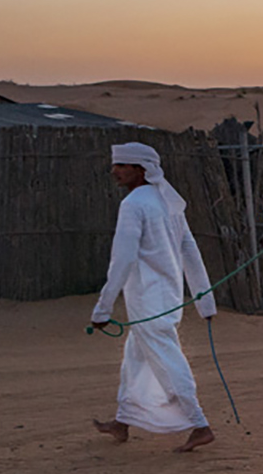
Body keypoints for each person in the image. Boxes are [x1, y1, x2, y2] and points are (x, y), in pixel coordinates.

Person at [90, 142, 217, 453]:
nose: (115, 171)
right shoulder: (167, 201)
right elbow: (189, 249)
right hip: (165, 296)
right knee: (134, 360)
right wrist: (205, 301)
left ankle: (199, 424)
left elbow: (123, 259)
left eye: (123, 165)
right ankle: (123, 421)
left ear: (142, 169)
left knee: (166, 361)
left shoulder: (135, 204)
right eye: (115, 164)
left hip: (148, 300)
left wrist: (102, 309)